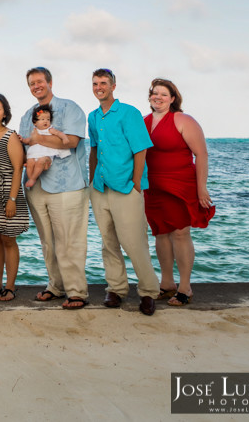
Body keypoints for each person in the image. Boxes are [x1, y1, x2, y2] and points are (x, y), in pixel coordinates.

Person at [88, 69, 160, 316]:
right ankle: (116, 289)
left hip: (126, 187)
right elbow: (94, 150)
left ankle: (149, 292)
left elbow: (141, 149)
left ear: (113, 86)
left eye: (104, 83)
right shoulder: (93, 117)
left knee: (134, 243)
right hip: (100, 188)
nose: (99, 87)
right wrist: (91, 181)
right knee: (108, 242)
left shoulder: (129, 113)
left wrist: (137, 182)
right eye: (96, 83)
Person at [18, 66, 90, 310]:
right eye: (31, 83)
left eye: (39, 81)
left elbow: (70, 142)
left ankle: (77, 291)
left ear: (50, 82)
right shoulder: (28, 114)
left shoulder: (70, 108)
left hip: (67, 185)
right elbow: (24, 147)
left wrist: (39, 139)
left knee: (69, 241)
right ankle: (56, 286)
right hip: (36, 186)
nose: (36, 86)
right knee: (47, 241)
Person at [144, 78, 215, 307]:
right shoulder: (142, 122)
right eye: (155, 93)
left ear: (173, 98)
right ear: (150, 96)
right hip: (152, 188)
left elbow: (201, 154)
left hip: (180, 185)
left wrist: (201, 188)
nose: (158, 97)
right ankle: (167, 284)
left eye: (164, 94)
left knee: (180, 234)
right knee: (161, 233)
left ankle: (185, 287)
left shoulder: (183, 120)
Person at [0, 93, 28, 302]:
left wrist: (12, 200)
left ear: (5, 113)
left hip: (9, 191)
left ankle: (10, 287)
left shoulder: (10, 136)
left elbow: (18, 169)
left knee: (9, 240)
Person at [23, 105, 70, 188]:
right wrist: (22, 140)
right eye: (42, 119)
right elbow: (29, 140)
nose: (46, 121)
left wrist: (64, 138)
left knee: (41, 162)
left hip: (46, 154)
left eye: (48, 119)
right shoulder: (35, 131)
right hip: (34, 154)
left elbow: (59, 133)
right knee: (30, 162)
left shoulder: (50, 130)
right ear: (35, 122)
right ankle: (30, 178)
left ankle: (33, 178)